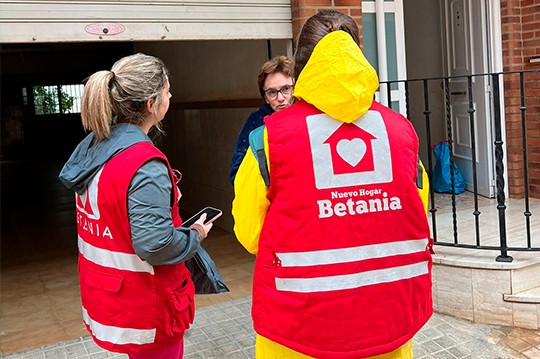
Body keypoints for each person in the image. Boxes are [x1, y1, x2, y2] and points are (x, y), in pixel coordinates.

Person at [232, 10, 431, 359]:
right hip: (389, 323)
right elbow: (417, 210)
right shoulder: (401, 131)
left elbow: (251, 234)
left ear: (301, 67)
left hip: (299, 331)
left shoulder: (268, 141)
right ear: (356, 55)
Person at [59, 53, 213, 359]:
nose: (171, 95)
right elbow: (155, 245)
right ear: (151, 105)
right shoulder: (143, 163)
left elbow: (116, 211)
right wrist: (195, 234)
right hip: (149, 305)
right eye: (167, 90)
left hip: (113, 293)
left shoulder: (95, 148)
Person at [229, 56, 294, 184]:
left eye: (286, 89)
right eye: (272, 92)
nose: (280, 98)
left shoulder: (307, 118)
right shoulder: (256, 123)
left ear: (295, 88)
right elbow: (237, 173)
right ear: (265, 97)